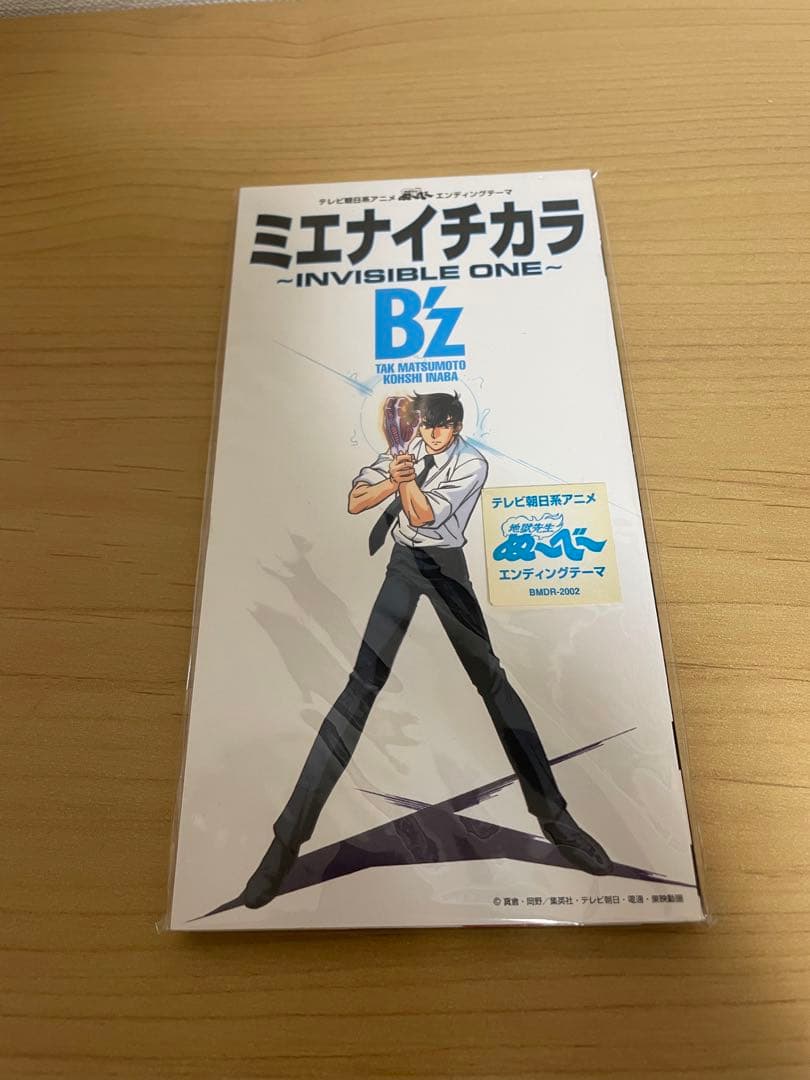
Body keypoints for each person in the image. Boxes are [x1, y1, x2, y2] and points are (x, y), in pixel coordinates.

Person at [243, 392, 612, 907]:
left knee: (492, 682)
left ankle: (556, 819)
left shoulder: (473, 464)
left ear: (457, 427)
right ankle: (284, 844)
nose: (432, 433)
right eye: (426, 424)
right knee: (360, 687)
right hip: (403, 565)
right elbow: (355, 501)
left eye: (442, 425)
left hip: (446, 569)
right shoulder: (409, 448)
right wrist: (393, 477)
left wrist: (403, 481)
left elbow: (420, 515)